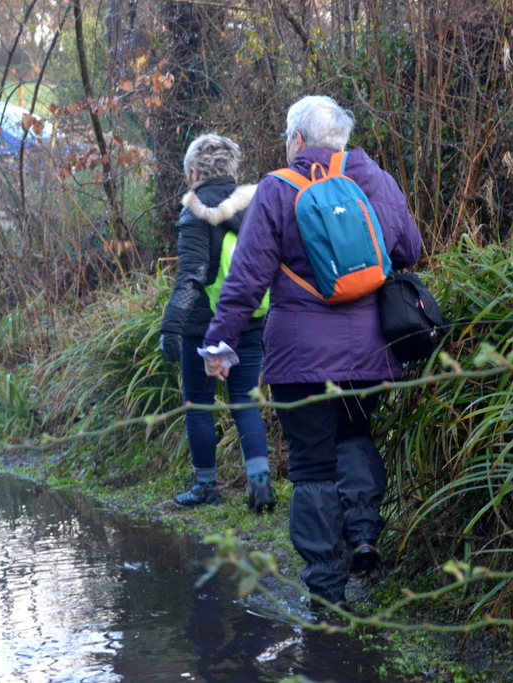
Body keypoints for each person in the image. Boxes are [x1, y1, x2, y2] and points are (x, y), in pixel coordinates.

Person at [200, 96, 423, 608]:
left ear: (298, 141)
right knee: (355, 431)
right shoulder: (379, 181)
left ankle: (326, 586)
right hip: (371, 352)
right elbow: (409, 249)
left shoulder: (278, 189)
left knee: (312, 466)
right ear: (341, 139)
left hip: (300, 360)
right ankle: (364, 534)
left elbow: (247, 278)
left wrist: (220, 341)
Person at [159, 133, 276, 513]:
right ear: (231, 168)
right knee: (245, 402)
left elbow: (192, 276)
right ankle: (260, 484)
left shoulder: (196, 209)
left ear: (193, 172)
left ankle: (206, 486)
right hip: (252, 317)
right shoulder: (255, 202)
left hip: (204, 325)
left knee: (199, 404)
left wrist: (171, 326)